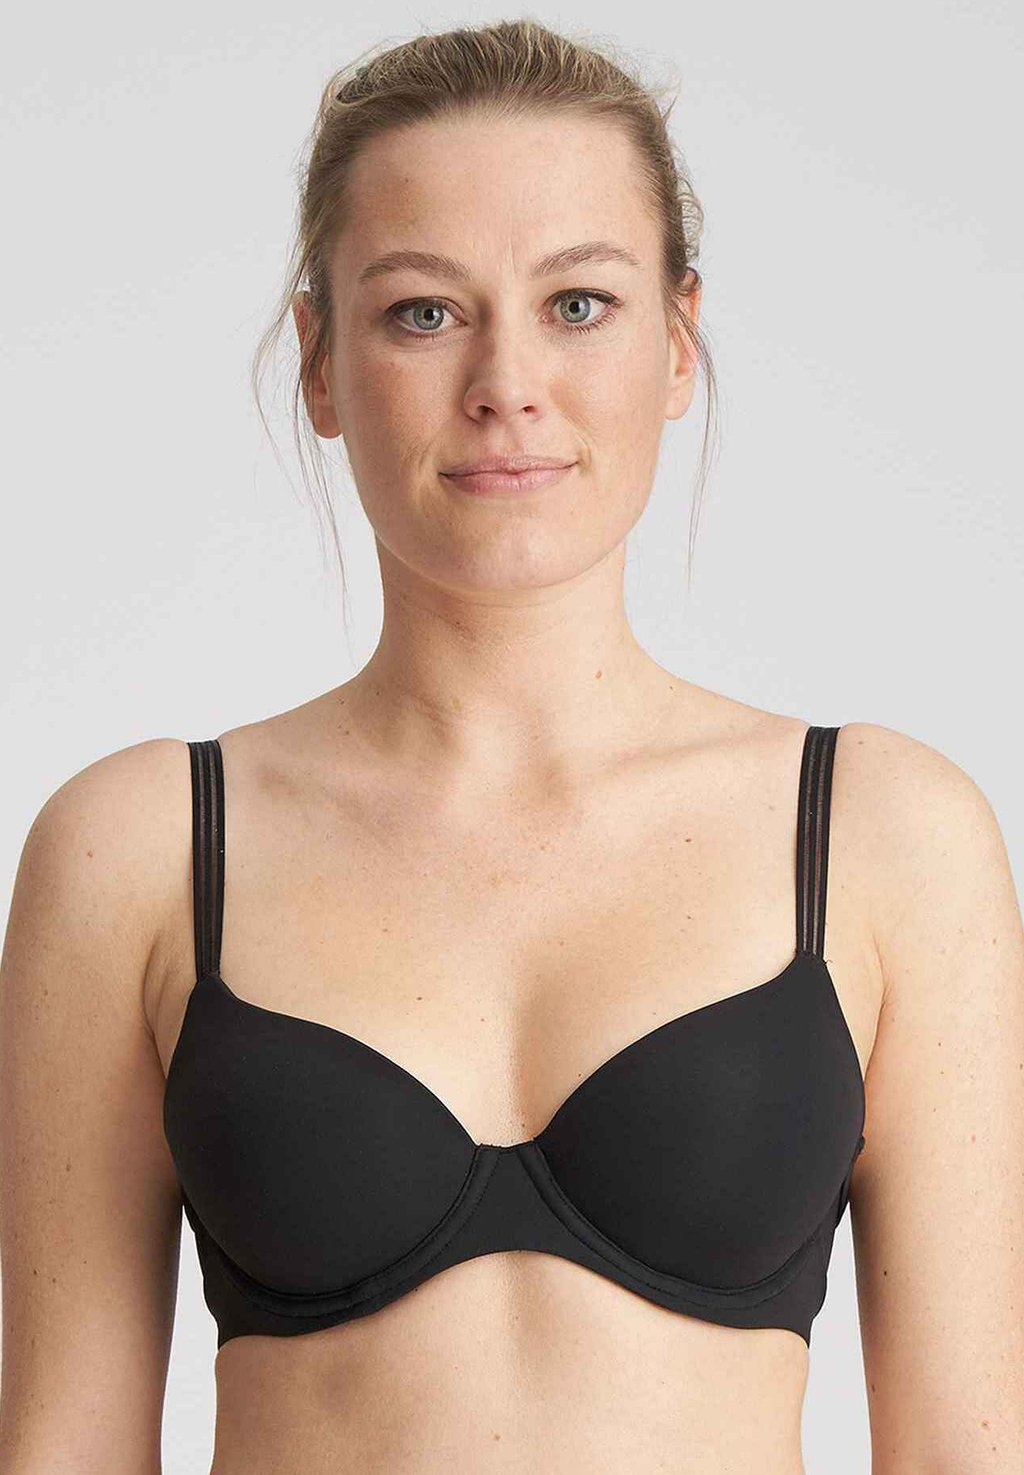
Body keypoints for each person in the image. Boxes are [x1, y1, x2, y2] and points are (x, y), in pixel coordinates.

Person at [2, 18, 1022, 1475]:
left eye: (579, 304)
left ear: (678, 342)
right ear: (319, 363)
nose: (506, 383)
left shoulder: (884, 835)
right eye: (425, 312)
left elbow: (968, 1451)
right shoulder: (140, 848)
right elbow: (65, 1447)